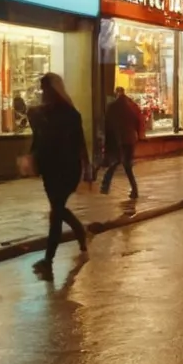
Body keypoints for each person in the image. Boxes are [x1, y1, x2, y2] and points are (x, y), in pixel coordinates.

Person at [28, 73, 91, 278]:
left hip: (67, 168)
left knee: (56, 213)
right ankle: (81, 233)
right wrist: (32, 159)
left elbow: (80, 143)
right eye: (42, 89)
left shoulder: (70, 114)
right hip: (49, 168)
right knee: (58, 209)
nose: (44, 93)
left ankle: (48, 260)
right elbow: (38, 140)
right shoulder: (41, 114)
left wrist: (88, 168)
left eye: (46, 89)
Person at [100, 86, 142, 198]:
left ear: (116, 93)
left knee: (116, 162)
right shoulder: (130, 106)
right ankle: (134, 190)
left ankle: (105, 186)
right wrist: (136, 133)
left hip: (119, 139)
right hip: (130, 139)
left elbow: (108, 124)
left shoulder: (113, 107)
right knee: (126, 165)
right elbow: (137, 120)